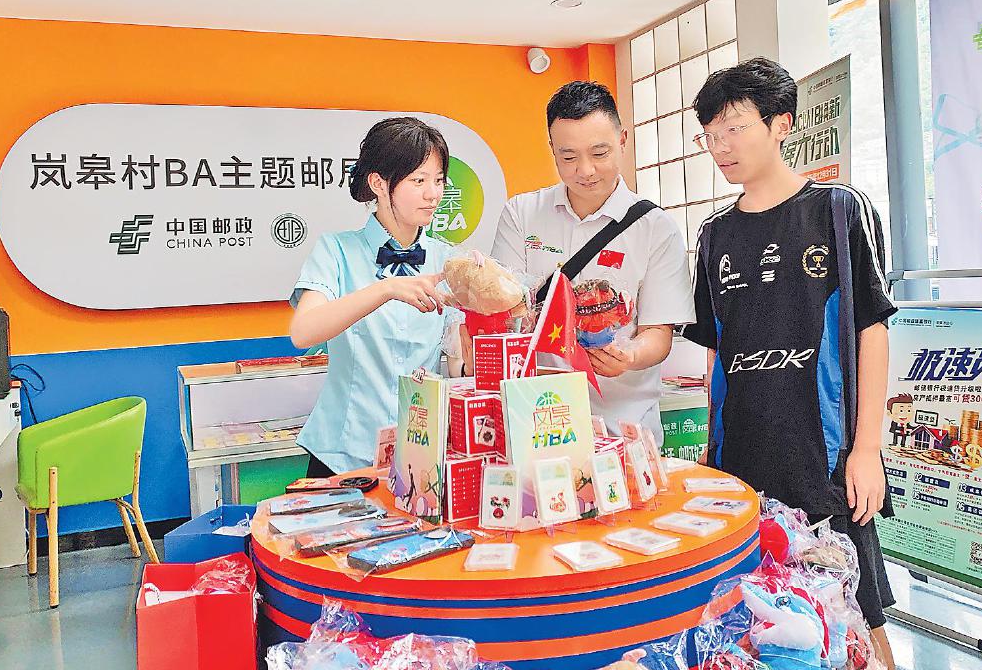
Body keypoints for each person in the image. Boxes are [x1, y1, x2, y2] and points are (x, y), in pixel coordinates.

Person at [681, 57, 899, 670]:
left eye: (735, 128)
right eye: (710, 135)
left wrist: (867, 450)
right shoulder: (714, 236)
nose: (721, 147)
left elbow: (871, 330)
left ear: (782, 124)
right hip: (741, 465)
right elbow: (716, 354)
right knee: (759, 623)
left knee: (858, 622)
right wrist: (710, 452)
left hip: (823, 459)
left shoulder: (838, 209)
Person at [491, 81, 694, 436]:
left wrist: (630, 355)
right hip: (537, 423)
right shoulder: (521, 214)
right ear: (552, 149)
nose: (585, 170)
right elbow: (503, 309)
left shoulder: (655, 227)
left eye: (599, 153)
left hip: (624, 428)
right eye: (569, 157)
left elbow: (658, 332)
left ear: (622, 140)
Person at [289, 117, 460, 477]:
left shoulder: (448, 261)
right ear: (379, 184)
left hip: (418, 456)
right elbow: (303, 332)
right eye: (419, 181)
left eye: (439, 180)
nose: (433, 194)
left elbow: (461, 366)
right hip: (340, 456)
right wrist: (386, 289)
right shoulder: (335, 251)